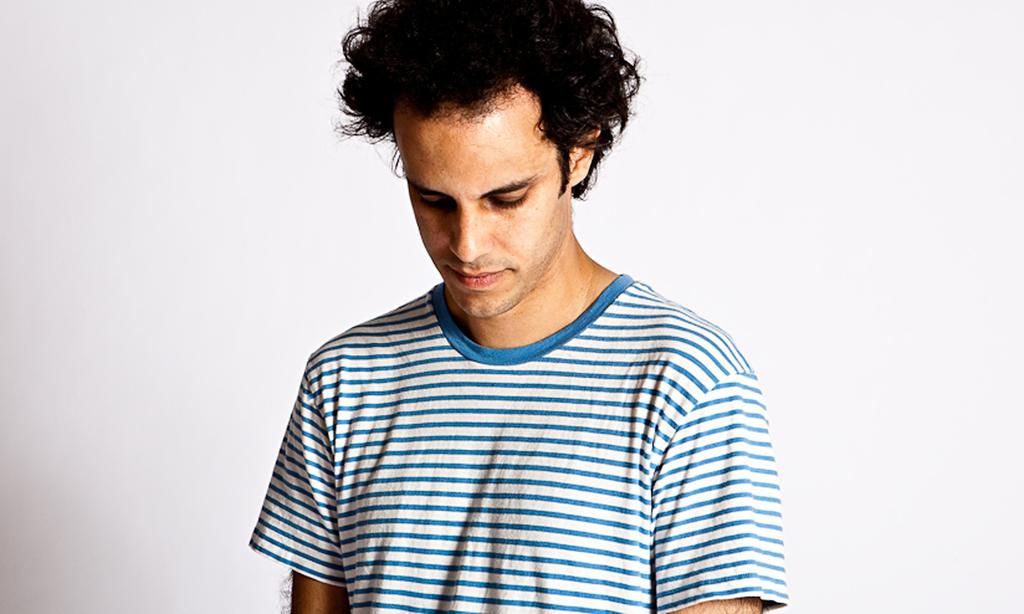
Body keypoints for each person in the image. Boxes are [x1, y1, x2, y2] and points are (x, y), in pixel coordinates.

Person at [247, 1, 791, 612]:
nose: (467, 245)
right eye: (434, 199)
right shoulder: (344, 379)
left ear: (578, 153)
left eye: (506, 199)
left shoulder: (687, 382)